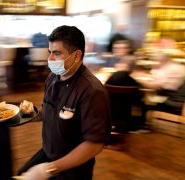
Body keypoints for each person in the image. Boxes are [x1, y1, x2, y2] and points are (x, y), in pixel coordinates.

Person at [17, 25, 112, 180]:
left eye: (56, 53)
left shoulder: (92, 91)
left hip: (73, 166)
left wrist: (49, 169)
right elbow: (47, 112)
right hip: (48, 153)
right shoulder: (53, 78)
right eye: (50, 52)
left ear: (76, 56)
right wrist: (26, 115)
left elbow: (94, 144)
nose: (50, 59)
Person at [136, 51, 185, 127]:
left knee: (143, 100)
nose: (155, 63)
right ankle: (142, 122)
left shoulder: (170, 69)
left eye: (157, 61)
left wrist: (140, 80)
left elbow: (156, 86)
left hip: (170, 101)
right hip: (173, 98)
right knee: (145, 97)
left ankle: (142, 124)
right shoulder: (175, 67)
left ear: (164, 60)